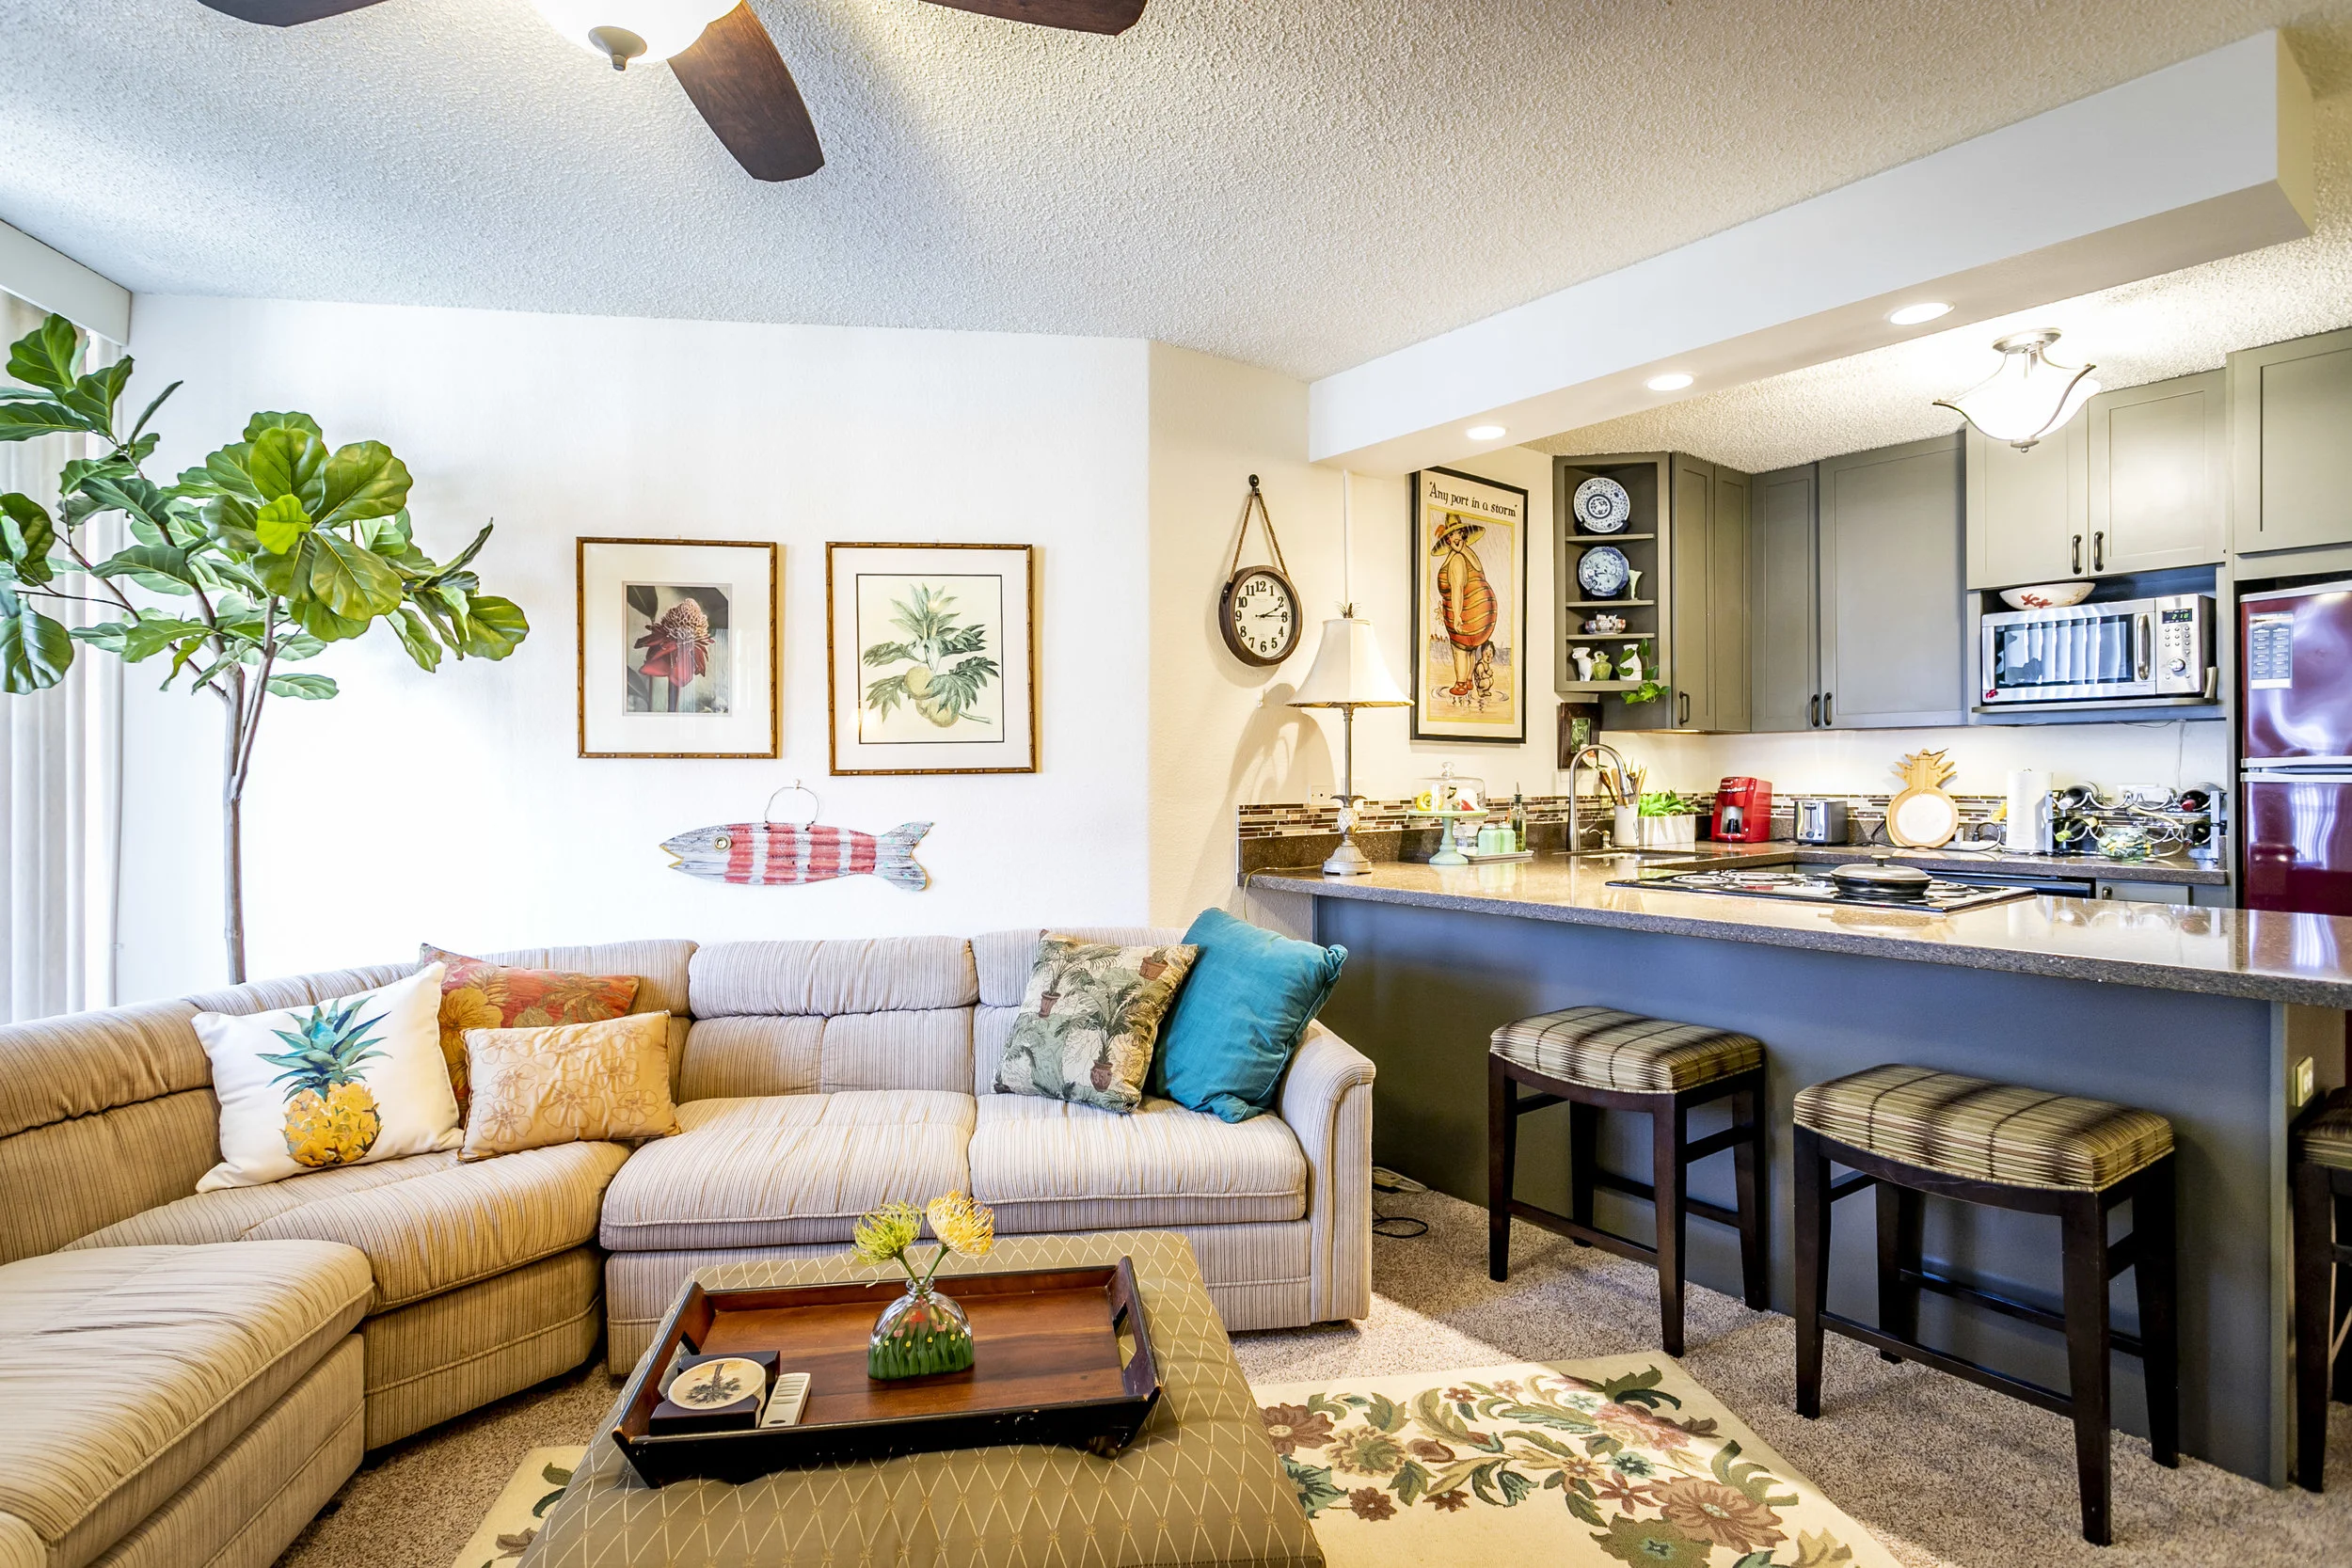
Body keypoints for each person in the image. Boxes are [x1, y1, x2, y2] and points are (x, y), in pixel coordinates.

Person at [1431, 514, 1497, 700]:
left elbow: (1458, 589)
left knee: (1460, 649)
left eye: (1460, 533)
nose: (1457, 537)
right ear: (1447, 539)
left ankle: (1461, 684)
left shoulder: (1457, 560)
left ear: (1464, 535)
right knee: (1470, 649)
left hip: (1469, 610)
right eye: (1453, 534)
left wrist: (1457, 615)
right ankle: (1468, 680)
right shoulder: (1469, 556)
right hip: (1482, 613)